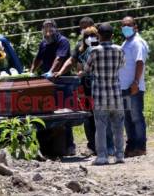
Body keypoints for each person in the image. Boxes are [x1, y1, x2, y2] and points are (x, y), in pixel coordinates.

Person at [56, 25, 115, 155]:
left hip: (100, 87)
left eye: (93, 35)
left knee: (103, 117)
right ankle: (92, 146)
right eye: (87, 36)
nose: (90, 38)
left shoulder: (101, 48)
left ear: (98, 36)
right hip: (85, 88)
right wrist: (60, 72)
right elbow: (72, 61)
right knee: (88, 118)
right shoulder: (80, 48)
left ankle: (108, 146)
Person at [30, 19, 75, 155]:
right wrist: (31, 71)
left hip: (62, 82)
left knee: (65, 113)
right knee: (49, 113)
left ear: (56, 29)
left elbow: (59, 59)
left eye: (50, 29)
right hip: (47, 83)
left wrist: (50, 72)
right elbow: (38, 59)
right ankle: (51, 146)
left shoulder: (63, 41)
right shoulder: (43, 43)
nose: (48, 32)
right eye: (45, 29)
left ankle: (69, 145)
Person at [84, 23, 125, 165]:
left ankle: (102, 156)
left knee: (101, 126)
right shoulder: (120, 49)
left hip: (100, 95)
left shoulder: (94, 51)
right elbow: (121, 65)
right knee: (118, 126)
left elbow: (87, 69)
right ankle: (119, 155)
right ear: (112, 36)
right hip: (116, 94)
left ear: (99, 36)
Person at [119, 16, 149, 157]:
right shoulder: (126, 42)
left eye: (128, 25)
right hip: (124, 87)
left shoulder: (137, 42)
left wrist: (136, 82)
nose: (126, 27)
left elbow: (139, 62)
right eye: (123, 25)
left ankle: (140, 146)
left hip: (133, 87)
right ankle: (131, 146)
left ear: (135, 27)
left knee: (136, 117)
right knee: (127, 118)